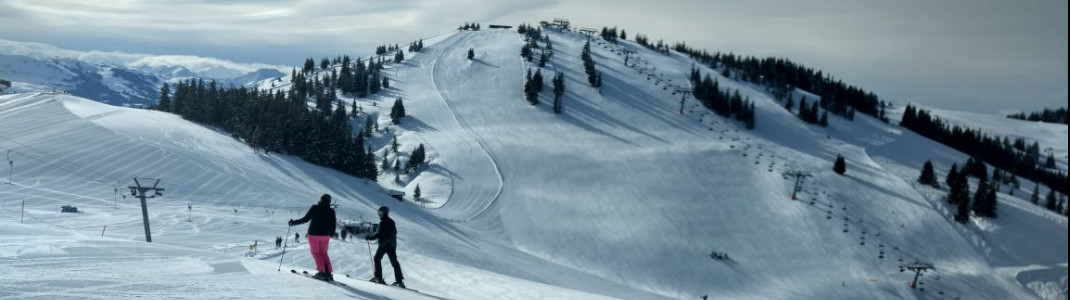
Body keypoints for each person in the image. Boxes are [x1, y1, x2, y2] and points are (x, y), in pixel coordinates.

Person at [289, 194, 338, 281]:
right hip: (325, 236)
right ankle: (328, 273)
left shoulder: (315, 208)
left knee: (316, 253)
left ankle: (321, 272)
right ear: (329, 202)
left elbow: (306, 219)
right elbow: (333, 224)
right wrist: (331, 234)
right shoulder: (331, 211)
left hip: (314, 234)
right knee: (323, 253)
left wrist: (294, 222)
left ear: (321, 199)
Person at [366, 206, 404, 288]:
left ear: (384, 213)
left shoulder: (383, 223)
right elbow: (394, 233)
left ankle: (378, 278)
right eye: (378, 213)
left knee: (377, 258)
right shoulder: (392, 222)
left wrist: (369, 237)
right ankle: (399, 281)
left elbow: (379, 234)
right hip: (392, 245)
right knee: (394, 262)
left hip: (384, 245)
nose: (379, 215)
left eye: (380, 213)